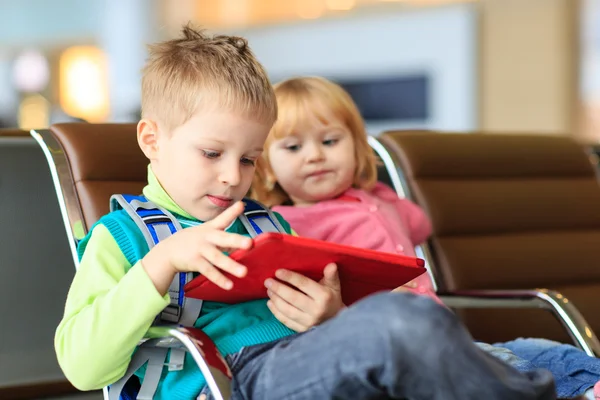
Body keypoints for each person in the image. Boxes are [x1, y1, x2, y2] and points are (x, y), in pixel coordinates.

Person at [54, 28, 557, 400]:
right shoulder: (120, 236)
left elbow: (324, 336)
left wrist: (330, 315)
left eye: (250, 159)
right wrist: (160, 264)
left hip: (303, 367)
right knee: (406, 323)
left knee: (535, 352)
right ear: (152, 139)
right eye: (212, 154)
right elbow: (82, 366)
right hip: (232, 380)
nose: (233, 176)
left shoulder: (269, 224)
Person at [251, 75, 600, 400]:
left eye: (330, 141)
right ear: (267, 168)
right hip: (393, 350)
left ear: (357, 148)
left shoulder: (380, 197)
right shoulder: (289, 226)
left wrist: (374, 200)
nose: (315, 155)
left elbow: (418, 226)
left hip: (450, 337)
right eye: (293, 148)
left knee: (543, 350)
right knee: (512, 365)